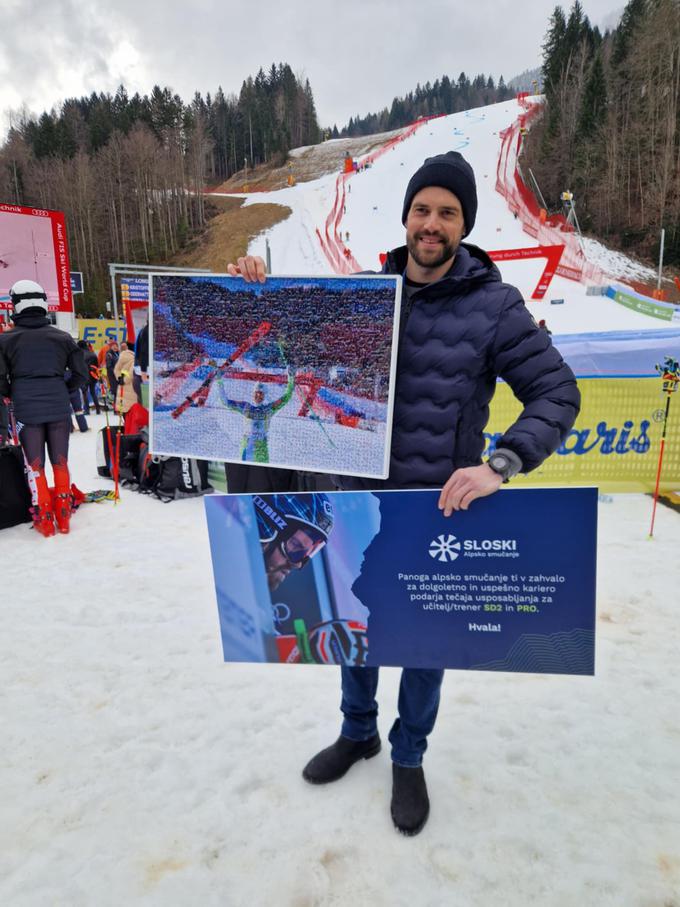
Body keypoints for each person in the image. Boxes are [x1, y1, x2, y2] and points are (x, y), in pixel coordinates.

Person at [228, 150, 580, 836]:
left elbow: (556, 392)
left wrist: (501, 462)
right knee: (355, 632)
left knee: (423, 644)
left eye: (448, 212)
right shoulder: (362, 293)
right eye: (423, 208)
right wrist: (253, 290)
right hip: (356, 504)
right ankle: (358, 731)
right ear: (406, 216)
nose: (432, 223)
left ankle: (409, 755)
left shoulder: (496, 307)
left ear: (464, 225)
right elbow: (280, 340)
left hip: (435, 510)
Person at [0, 280, 88, 535]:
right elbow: (82, 375)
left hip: (26, 409)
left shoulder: (5, 339)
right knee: (60, 461)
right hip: (59, 406)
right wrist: (63, 388)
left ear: (16, 306)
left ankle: (45, 518)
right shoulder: (62, 337)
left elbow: (0, 380)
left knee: (35, 465)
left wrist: (12, 393)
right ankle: (64, 516)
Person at [216, 373, 295, 464]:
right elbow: (225, 402)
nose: (258, 396)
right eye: (256, 393)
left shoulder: (268, 409)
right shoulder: (246, 407)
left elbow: (286, 398)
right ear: (253, 393)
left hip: (261, 449)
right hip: (246, 447)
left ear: (264, 395)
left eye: (261, 394)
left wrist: (291, 378)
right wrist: (219, 381)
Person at [77, 340, 101, 415]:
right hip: (93, 375)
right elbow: (97, 365)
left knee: (85, 392)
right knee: (93, 392)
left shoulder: (79, 354)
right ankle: (98, 409)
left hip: (84, 376)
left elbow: (78, 366)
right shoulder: (93, 353)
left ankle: (87, 410)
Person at [113, 342, 136, 417]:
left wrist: (119, 378)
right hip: (130, 386)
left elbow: (116, 369)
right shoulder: (134, 358)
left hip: (121, 386)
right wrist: (125, 380)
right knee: (130, 409)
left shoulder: (121, 356)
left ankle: (126, 426)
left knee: (123, 408)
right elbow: (131, 373)